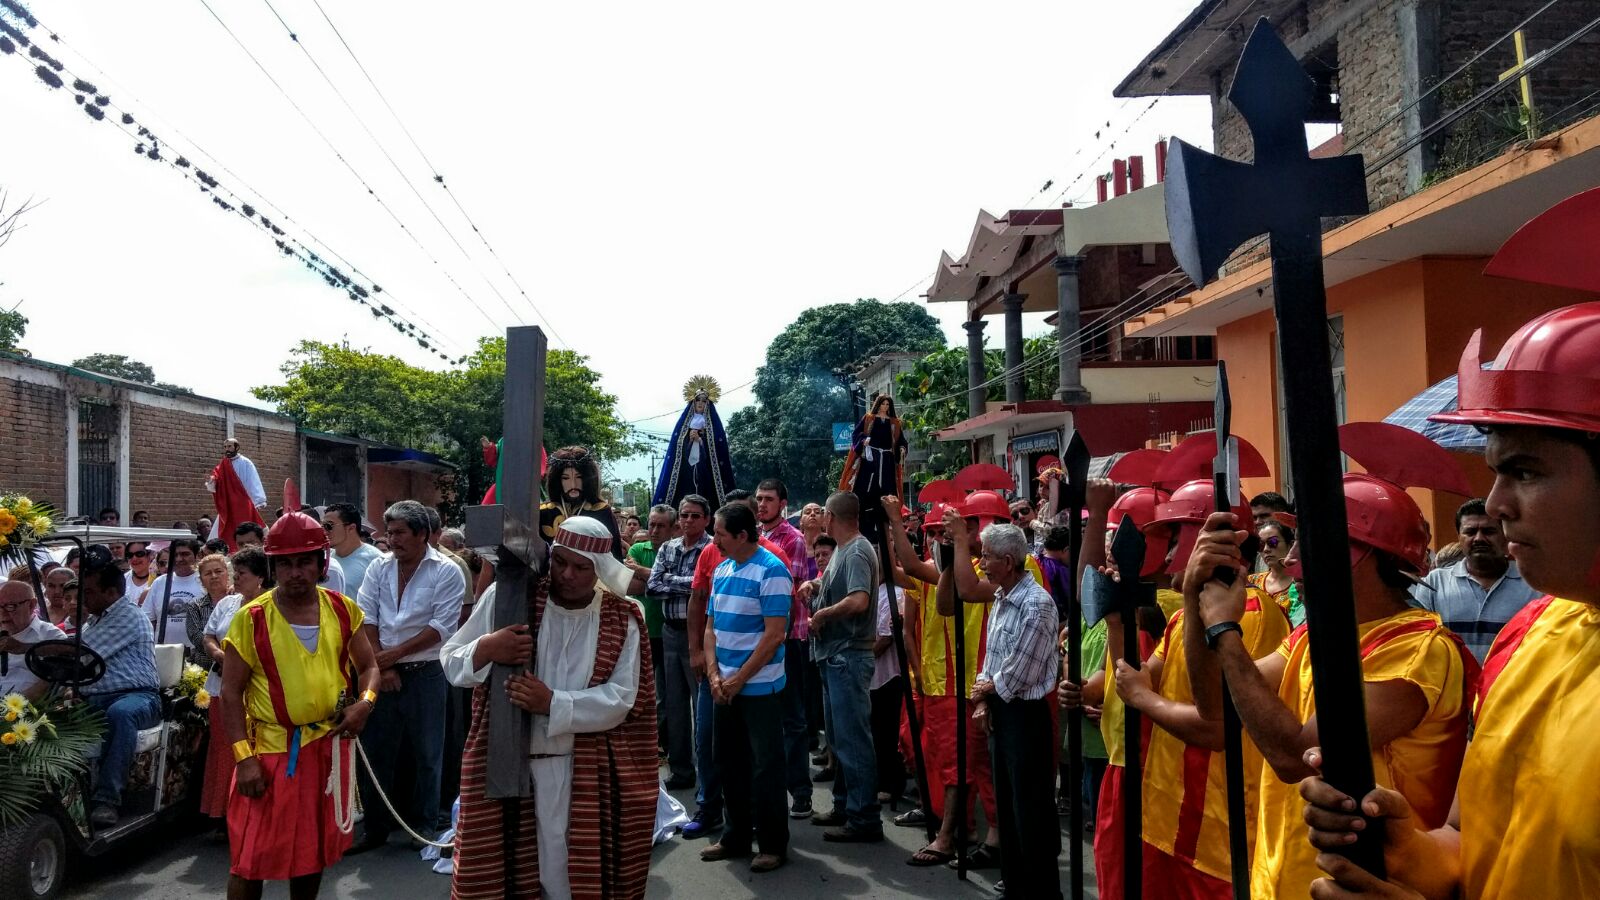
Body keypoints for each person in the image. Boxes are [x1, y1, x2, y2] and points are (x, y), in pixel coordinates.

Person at [1299, 304, 1600, 899]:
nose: (1493, 506)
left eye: (1526, 473)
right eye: (1494, 473)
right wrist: (1408, 850)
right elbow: (1470, 840)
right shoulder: (1534, 630)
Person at [1182, 455, 1475, 896]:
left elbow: (1294, 757)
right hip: (1281, 877)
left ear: (1357, 556)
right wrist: (1194, 597)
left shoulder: (1417, 651)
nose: (1292, 558)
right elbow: (1216, 706)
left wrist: (1225, 632)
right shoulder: (1312, 637)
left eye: (1308, 542)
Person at [443, 515, 656, 900]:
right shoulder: (509, 598)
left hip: (583, 768)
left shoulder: (622, 616)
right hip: (510, 764)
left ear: (601, 570)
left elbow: (624, 697)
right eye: (560, 563)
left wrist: (553, 703)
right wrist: (486, 649)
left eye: (581, 568)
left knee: (567, 878)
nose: (568, 575)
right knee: (510, 874)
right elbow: (451, 661)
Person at [1113, 480, 1291, 899]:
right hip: (1169, 818)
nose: (1168, 555)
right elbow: (1138, 675)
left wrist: (1142, 699)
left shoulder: (1249, 616)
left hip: (1218, 834)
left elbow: (1216, 729)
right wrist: (1117, 616)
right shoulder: (1183, 617)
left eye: (1175, 540)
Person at [221, 501, 380, 900]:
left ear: (320, 563)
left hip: (324, 753)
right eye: (286, 563)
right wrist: (244, 759)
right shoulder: (251, 618)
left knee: (312, 857)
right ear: (273, 568)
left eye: (305, 562)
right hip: (268, 755)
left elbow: (370, 667)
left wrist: (366, 702)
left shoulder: (344, 610)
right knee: (250, 859)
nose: (296, 572)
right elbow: (229, 693)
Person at [352, 500, 466, 851]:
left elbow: (440, 628)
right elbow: (365, 616)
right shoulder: (379, 568)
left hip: (426, 673)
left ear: (420, 534)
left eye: (400, 532)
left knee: (428, 753)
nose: (392, 539)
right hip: (380, 672)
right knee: (374, 751)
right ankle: (375, 828)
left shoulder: (447, 571)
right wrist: (381, 667)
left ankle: (425, 827)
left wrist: (392, 658)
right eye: (389, 532)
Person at [682, 489, 797, 835]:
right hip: (724, 686)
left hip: (759, 687)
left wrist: (738, 679)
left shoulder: (772, 571)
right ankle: (736, 835)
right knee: (727, 761)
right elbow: (711, 627)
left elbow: (775, 636)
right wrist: (716, 675)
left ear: (741, 536)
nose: (713, 540)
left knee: (765, 766)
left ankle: (773, 842)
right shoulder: (723, 570)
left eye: (719, 534)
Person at [970, 523, 1062, 900]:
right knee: (1007, 808)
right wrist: (983, 697)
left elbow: (1019, 672)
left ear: (1007, 561)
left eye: (987, 556)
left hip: (1026, 716)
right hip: (1002, 711)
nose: (982, 563)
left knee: (1031, 811)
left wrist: (986, 691)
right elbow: (992, 659)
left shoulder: (1036, 604)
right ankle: (1016, 883)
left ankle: (1040, 891)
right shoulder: (1000, 597)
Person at [800, 491, 883, 842]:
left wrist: (823, 613)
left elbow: (859, 599)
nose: (821, 520)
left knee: (852, 740)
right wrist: (814, 584)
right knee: (838, 738)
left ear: (832, 517)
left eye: (823, 515)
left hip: (848, 654)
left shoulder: (858, 549)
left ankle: (864, 817)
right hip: (835, 655)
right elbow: (838, 585)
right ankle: (845, 804)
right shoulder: (844, 551)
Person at [76, 545, 162, 828]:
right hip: (96, 697)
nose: (82, 598)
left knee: (120, 714)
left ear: (111, 593)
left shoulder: (127, 615)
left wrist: (29, 647)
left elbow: (80, 652)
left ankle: (107, 799)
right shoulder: (94, 620)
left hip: (137, 696)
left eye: (88, 592)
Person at [1410, 497, 1541, 663]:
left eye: (1488, 531)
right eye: (1470, 532)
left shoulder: (1533, 585)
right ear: (1459, 537)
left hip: (1513, 686)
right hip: (1455, 687)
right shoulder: (1434, 584)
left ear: (1506, 535)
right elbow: (1419, 643)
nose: (1479, 538)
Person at [754, 478, 816, 818]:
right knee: (767, 719)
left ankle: (801, 792)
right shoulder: (755, 538)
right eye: (759, 499)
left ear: (783, 503)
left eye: (768, 499)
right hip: (761, 639)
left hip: (788, 638)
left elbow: (786, 593)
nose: (762, 504)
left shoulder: (790, 540)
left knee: (793, 719)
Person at [199, 547, 270, 821]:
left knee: (251, 749)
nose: (235, 579)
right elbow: (208, 636)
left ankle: (250, 814)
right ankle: (223, 814)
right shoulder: (226, 604)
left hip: (255, 691)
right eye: (235, 573)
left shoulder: (271, 607)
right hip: (221, 687)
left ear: (260, 577)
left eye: (241, 574)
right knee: (224, 748)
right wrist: (220, 655)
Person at [648, 496, 711, 797]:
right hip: (670, 633)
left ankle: (708, 772)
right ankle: (681, 770)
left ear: (706, 520)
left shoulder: (711, 549)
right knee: (673, 706)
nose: (688, 521)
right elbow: (652, 586)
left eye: (695, 516)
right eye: (684, 516)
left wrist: (673, 582)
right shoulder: (667, 548)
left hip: (698, 634)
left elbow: (706, 589)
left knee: (702, 705)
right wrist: (688, 584)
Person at [624, 504, 675, 758]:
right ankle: (641, 743)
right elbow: (628, 586)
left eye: (661, 525)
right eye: (652, 524)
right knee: (638, 690)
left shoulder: (675, 552)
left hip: (666, 632)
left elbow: (667, 586)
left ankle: (664, 742)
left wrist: (644, 574)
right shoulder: (636, 548)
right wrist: (660, 582)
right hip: (640, 631)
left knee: (664, 694)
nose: (654, 530)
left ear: (672, 529)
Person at [652, 380, 737, 511]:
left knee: (706, 493)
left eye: (704, 401)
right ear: (693, 401)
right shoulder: (683, 424)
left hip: (707, 469)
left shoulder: (714, 426)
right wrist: (690, 440)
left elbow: (718, 448)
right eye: (698, 400)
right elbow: (677, 447)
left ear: (708, 403)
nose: (700, 403)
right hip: (686, 468)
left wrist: (701, 440)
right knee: (685, 492)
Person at [839, 396, 907, 541]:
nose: (885, 406)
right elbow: (856, 434)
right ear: (878, 404)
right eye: (883, 403)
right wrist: (863, 440)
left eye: (888, 404)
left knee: (888, 487)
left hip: (887, 458)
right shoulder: (869, 418)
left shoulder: (894, 422)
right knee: (866, 484)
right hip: (871, 456)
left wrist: (902, 448)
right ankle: (864, 509)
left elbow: (900, 440)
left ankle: (885, 514)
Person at [542, 446, 625, 559]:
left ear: (587, 478)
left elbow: (614, 555)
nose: (573, 485)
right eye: (566, 478)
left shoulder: (601, 511)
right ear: (557, 480)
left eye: (579, 477)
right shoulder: (544, 512)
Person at [0, 580, 67, 701]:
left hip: (23, 709)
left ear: (31, 605)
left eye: (10, 606)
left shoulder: (51, 636)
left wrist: (9, 708)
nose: (2, 613)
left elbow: (45, 687)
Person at [142, 538, 206, 648]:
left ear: (197, 556)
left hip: (197, 653)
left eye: (185, 554)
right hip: (164, 652)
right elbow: (147, 621)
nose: (179, 559)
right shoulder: (160, 582)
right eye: (175, 555)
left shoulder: (205, 581)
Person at [321, 503, 381, 598]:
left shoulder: (376, 560)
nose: (324, 531)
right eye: (322, 526)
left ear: (351, 528)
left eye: (329, 526)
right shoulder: (325, 559)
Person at [185, 553, 231, 668]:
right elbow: (196, 637)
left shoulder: (241, 600)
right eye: (208, 573)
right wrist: (218, 653)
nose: (214, 576)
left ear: (228, 574)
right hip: (205, 668)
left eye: (218, 571)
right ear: (201, 579)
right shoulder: (195, 606)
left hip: (237, 665)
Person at [1250, 517, 1297, 622]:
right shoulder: (1250, 582)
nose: (1266, 549)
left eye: (1273, 542)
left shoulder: (1300, 586)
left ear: (1290, 545)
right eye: (1261, 545)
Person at [41, 567, 76, 631]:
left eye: (62, 586)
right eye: (51, 586)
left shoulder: (79, 616)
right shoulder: (36, 614)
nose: (57, 591)